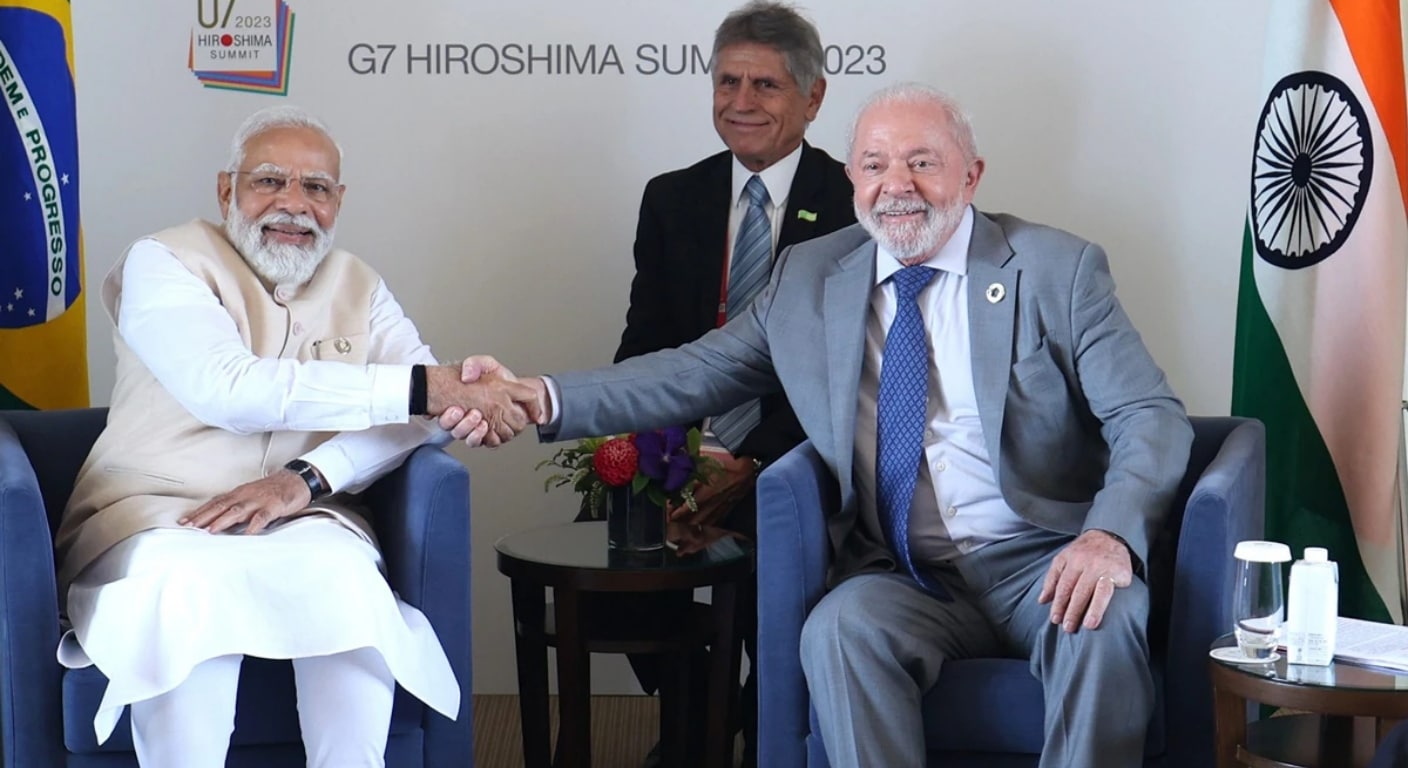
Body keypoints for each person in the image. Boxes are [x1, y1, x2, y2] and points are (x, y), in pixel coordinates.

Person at [451, 83, 1194, 768]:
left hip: (1043, 556)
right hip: (909, 574)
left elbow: (1148, 416)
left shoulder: (1056, 270)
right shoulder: (811, 277)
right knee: (838, 631)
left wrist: (1109, 535)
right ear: (852, 180)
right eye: (873, 164)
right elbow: (689, 374)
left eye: (922, 162)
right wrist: (537, 396)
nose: (895, 185)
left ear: (971, 177)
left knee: (1103, 616)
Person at [57, 105, 532, 768]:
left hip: (305, 514)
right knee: (189, 588)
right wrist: (432, 387)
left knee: (344, 579)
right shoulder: (162, 262)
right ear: (227, 190)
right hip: (155, 514)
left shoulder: (360, 285)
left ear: (338, 201)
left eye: (316, 188)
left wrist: (307, 479)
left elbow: (420, 414)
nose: (293, 204)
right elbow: (229, 388)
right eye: (269, 181)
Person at [605, 2, 852, 764]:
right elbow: (646, 341)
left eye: (766, 86)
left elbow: (851, 371)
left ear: (812, 99)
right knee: (615, 568)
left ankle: (739, 725)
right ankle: (697, 724)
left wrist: (750, 461)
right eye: (727, 81)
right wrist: (648, 448)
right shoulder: (672, 197)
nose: (741, 102)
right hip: (683, 446)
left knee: (768, 583)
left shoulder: (855, 203)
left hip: (798, 451)